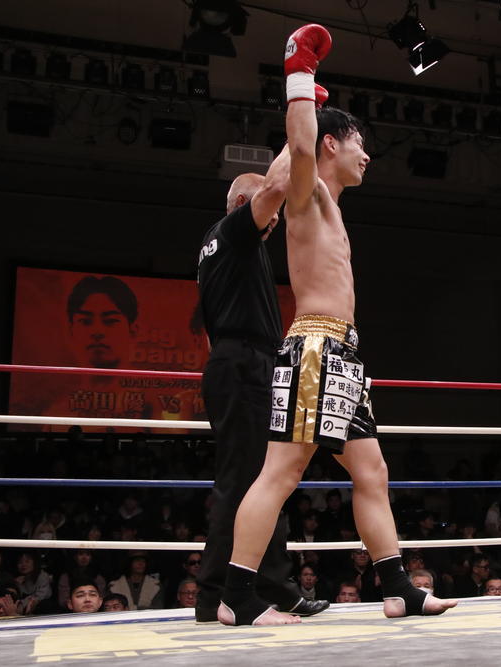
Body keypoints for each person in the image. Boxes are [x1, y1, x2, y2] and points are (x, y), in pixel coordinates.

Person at [218, 24, 455, 626]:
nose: (366, 154)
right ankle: (236, 596)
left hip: (341, 353)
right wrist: (300, 76)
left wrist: (314, 104)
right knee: (282, 471)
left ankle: (398, 588)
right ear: (331, 145)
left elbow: (295, 154)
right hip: (316, 346)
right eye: (357, 143)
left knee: (372, 469)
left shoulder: (329, 207)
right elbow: (298, 155)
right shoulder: (311, 197)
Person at [195, 161, 330, 622]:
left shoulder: (221, 247)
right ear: (241, 204)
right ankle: (218, 594)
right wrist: (302, 136)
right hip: (244, 364)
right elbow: (275, 185)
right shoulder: (233, 231)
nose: (274, 223)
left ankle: (271, 585)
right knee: (244, 482)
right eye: (269, 214)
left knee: (264, 481)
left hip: (242, 363)